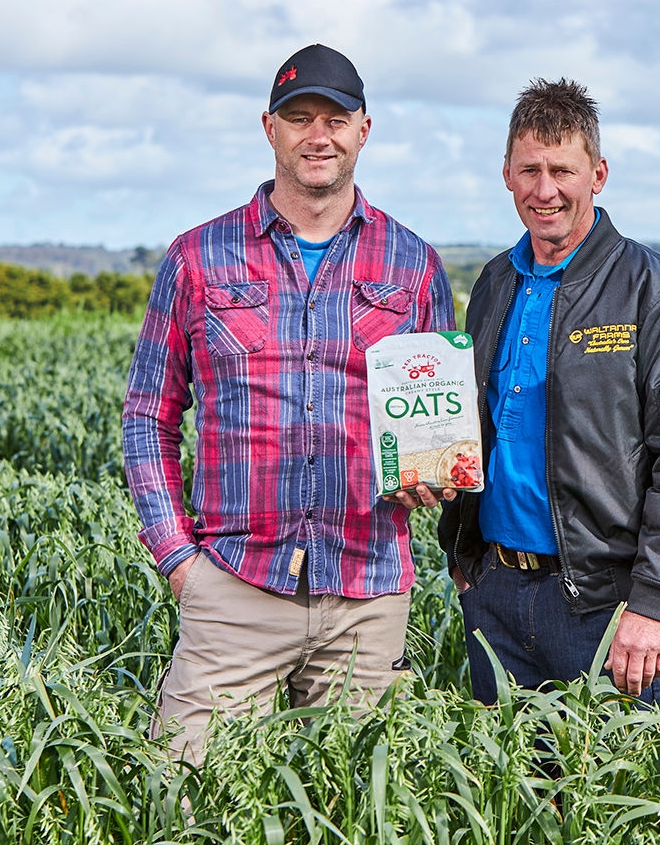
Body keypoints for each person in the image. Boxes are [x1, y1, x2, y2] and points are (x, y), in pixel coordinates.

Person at [122, 44, 453, 764]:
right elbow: (148, 415)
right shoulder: (197, 258)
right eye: (298, 117)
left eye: (335, 118)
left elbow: (434, 412)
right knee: (185, 797)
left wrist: (434, 474)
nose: (318, 134)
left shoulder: (413, 263)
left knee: (357, 811)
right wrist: (177, 556)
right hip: (236, 586)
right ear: (268, 129)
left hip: (366, 592)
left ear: (364, 130)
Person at [429, 78, 660, 712]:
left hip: (606, 609)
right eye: (530, 171)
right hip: (496, 597)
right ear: (508, 176)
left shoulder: (656, 293)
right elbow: (479, 425)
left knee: (619, 804)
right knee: (510, 804)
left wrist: (654, 604)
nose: (546, 191)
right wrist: (463, 556)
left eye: (562, 170)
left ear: (597, 174)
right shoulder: (495, 283)